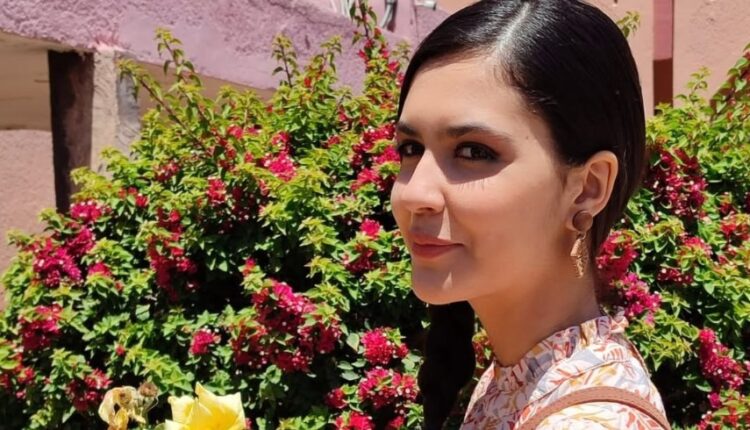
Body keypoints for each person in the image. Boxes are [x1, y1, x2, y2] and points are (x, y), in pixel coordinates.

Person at [389, 0, 669, 428]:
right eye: (411, 149)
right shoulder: (519, 377)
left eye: (473, 152)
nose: (414, 193)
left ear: (588, 188)